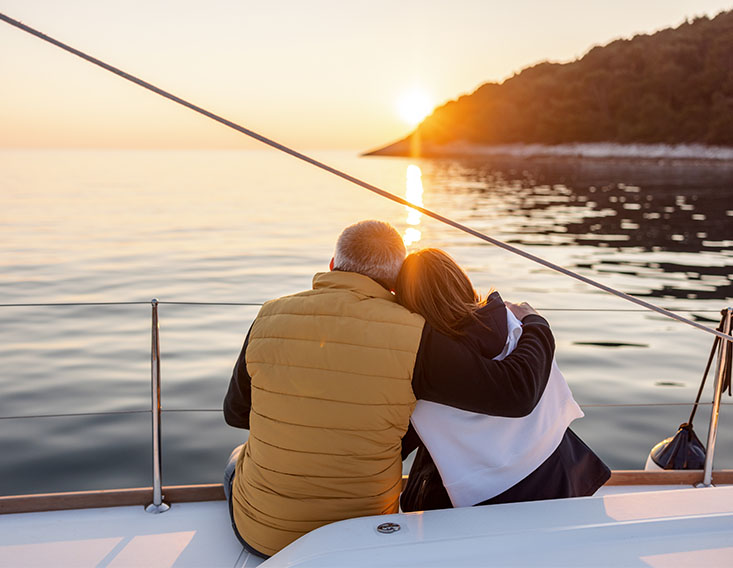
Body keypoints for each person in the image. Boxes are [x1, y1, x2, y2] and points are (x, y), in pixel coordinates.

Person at [223, 221, 557, 557]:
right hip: (363, 534)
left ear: (331, 265)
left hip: (263, 536)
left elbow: (236, 413)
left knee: (236, 458)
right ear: (397, 283)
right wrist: (534, 324)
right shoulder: (417, 336)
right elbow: (515, 393)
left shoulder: (268, 316)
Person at [395, 248, 610, 512]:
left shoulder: (421, 360)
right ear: (461, 282)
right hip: (558, 472)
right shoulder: (516, 325)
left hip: (489, 499)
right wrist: (537, 323)